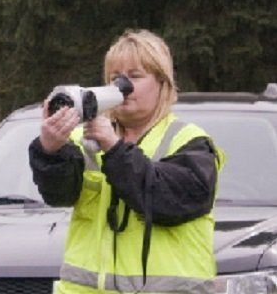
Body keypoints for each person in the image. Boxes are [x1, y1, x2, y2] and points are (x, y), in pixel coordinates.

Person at [29, 29, 223, 293]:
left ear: (162, 83)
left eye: (135, 76)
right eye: (115, 78)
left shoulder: (190, 144)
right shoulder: (82, 140)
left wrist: (114, 148)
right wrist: (50, 149)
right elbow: (59, 195)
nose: (123, 86)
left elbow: (165, 203)